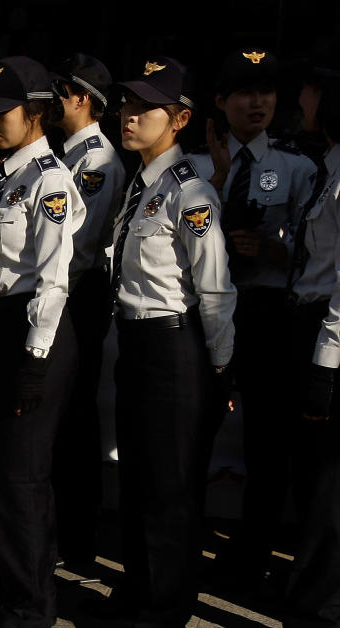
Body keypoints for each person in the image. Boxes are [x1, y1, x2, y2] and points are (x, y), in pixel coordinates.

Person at [100, 57, 236, 626]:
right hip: (136, 346)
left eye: (143, 108)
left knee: (171, 488)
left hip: (175, 350)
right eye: (126, 105)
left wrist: (221, 369)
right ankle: (138, 590)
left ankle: (166, 606)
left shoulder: (190, 192)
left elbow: (215, 289)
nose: (127, 116)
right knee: (138, 477)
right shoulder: (142, 183)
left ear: (179, 119)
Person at [187, 47, 318, 589]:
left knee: (268, 441)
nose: (258, 102)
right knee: (191, 434)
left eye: (266, 92)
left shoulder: (297, 166)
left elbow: (320, 256)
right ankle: (182, 541)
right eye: (244, 92)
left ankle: (253, 551)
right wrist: (216, 184)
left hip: (265, 315)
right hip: (204, 311)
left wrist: (272, 250)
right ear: (221, 101)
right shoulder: (192, 167)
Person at [0, 56, 82, 627]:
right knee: (11, 473)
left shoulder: (50, 180)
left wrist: (34, 355)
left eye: (1, 113)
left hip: (36, 333)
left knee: (22, 477)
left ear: (35, 113)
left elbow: (52, 278)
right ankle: (18, 590)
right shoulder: (8, 173)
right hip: (0, 326)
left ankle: (29, 612)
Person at [50, 52, 125, 569]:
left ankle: (77, 539)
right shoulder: (67, 155)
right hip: (64, 295)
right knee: (62, 420)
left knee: (74, 420)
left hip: (76, 296)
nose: (52, 102)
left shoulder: (96, 161)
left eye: (59, 93)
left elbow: (78, 243)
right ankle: (68, 533)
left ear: (82, 99)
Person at [288, 60, 340, 628]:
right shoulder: (328, 161)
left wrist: (325, 364)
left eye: (309, 89)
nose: (298, 98)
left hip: (331, 334)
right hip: (312, 324)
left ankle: (321, 607)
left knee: (328, 488)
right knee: (313, 480)